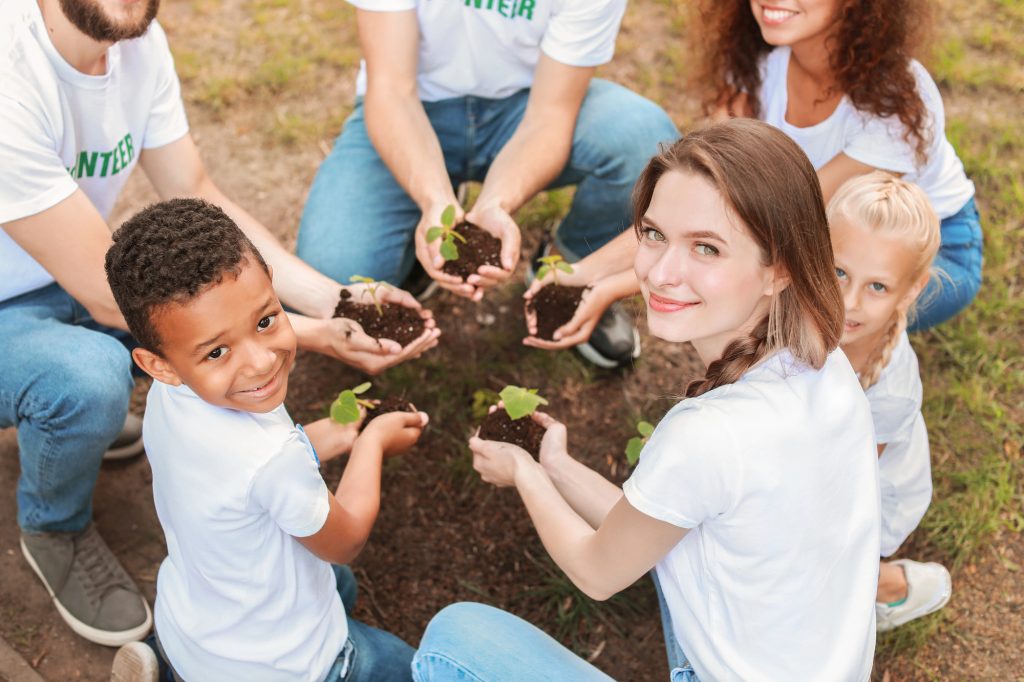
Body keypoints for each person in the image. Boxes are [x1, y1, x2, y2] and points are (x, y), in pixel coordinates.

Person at [0, 0, 437, 646]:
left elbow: (197, 187)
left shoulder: (136, 41)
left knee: (178, 317)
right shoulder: (10, 70)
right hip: (30, 299)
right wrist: (296, 333)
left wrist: (336, 304)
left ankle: (80, 424)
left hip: (73, 272)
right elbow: (111, 296)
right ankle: (52, 525)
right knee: (91, 379)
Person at [414, 120, 881, 681]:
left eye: (706, 248)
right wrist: (557, 465)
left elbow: (597, 570)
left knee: (449, 641)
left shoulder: (709, 435)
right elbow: (663, 517)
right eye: (654, 233)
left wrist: (524, 471)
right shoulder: (827, 365)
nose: (660, 272)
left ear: (777, 269)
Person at [524, 0, 981, 348]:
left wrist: (611, 287)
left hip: (928, 253)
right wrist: (583, 272)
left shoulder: (896, 101)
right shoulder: (755, 62)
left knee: (771, 305)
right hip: (824, 239)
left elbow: (762, 222)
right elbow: (708, 201)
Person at [104, 198, 426, 681]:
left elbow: (244, 481)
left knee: (341, 588)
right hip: (286, 664)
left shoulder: (174, 396)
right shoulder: (272, 458)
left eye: (264, 321)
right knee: (407, 667)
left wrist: (327, 436)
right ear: (159, 365)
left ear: (271, 284)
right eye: (217, 351)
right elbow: (346, 539)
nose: (260, 362)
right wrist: (372, 444)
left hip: (196, 621)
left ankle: (167, 663)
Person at [297, 0, 679, 368]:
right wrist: (436, 204)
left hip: (524, 107)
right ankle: (427, 201)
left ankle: (570, 270)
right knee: (330, 280)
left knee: (645, 143)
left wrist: (495, 203)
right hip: (414, 109)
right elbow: (392, 90)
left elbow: (550, 114)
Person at [828, 172, 952, 631]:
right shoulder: (795, 311)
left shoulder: (891, 389)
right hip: (811, 455)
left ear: (913, 288)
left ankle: (890, 588)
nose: (848, 302)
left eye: (877, 286)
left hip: (867, 489)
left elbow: (845, 488)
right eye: (838, 271)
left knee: (822, 561)